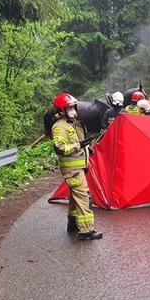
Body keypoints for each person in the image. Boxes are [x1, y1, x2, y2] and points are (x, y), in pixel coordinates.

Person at [51, 93, 103, 241]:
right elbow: (60, 148)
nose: (74, 110)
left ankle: (73, 224)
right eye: (70, 108)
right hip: (72, 170)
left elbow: (78, 142)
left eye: (74, 107)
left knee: (75, 197)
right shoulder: (60, 127)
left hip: (78, 168)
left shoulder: (72, 123)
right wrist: (79, 145)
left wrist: (87, 148)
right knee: (84, 197)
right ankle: (86, 230)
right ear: (61, 110)